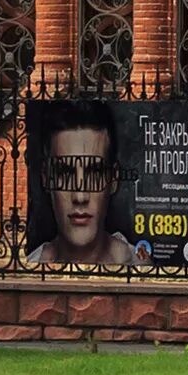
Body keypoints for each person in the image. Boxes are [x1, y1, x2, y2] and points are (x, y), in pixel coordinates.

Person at [23, 100, 149, 270]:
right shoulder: (31, 266)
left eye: (94, 172)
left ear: (113, 179)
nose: (80, 196)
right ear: (46, 177)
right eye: (65, 173)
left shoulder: (139, 266)